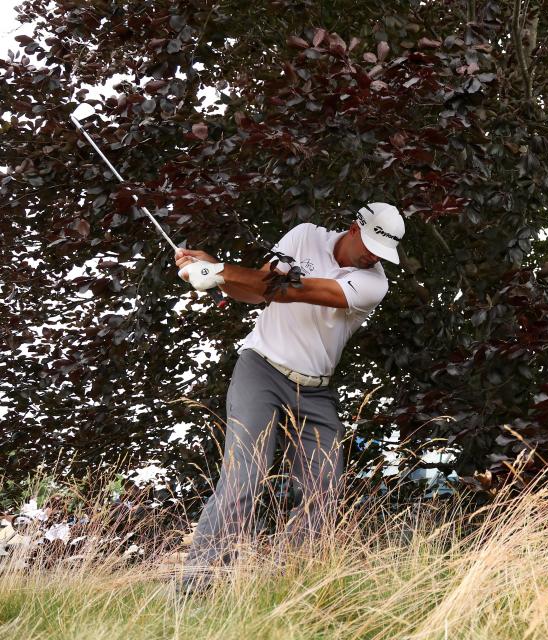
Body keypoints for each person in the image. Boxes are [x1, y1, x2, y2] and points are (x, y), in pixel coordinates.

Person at [170, 202, 405, 595]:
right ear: (353, 228)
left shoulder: (373, 284)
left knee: (324, 488)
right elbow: (257, 290)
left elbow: (290, 291)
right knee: (244, 477)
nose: (371, 257)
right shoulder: (303, 236)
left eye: (381, 253)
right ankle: (196, 588)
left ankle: (292, 588)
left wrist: (219, 271)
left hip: (316, 390)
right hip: (260, 369)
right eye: (369, 246)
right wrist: (212, 272)